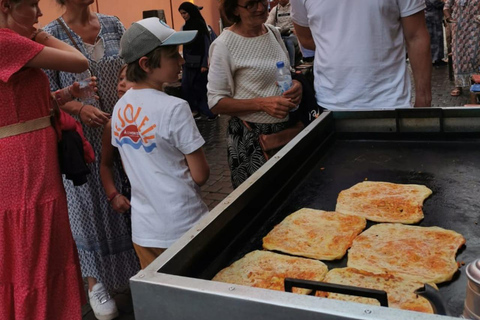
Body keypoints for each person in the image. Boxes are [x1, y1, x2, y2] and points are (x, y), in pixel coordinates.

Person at [43, 1, 140, 319]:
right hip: (82, 140)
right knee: (86, 209)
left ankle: (135, 274)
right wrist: (80, 108)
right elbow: (46, 95)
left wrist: (129, 83)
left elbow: (131, 67)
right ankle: (95, 282)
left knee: (130, 199)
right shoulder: (51, 34)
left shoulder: (113, 25)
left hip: (124, 130)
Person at [0, 0, 89, 318]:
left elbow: (18, 105)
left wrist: (64, 96)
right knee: (36, 239)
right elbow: (80, 60)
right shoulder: (7, 41)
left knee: (31, 240)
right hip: (25, 156)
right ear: (7, 5)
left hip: (25, 150)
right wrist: (39, 37)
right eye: (33, 5)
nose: (39, 14)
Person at [114, 18, 210, 269]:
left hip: (144, 230)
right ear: (146, 64)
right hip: (184, 224)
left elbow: (130, 166)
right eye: (172, 55)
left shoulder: (119, 109)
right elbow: (200, 175)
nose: (181, 61)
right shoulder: (175, 108)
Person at [208, 0, 303, 188]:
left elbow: (284, 73)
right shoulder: (224, 45)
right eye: (251, 4)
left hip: (286, 131)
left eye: (262, 1)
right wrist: (261, 104)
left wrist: (296, 84)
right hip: (250, 139)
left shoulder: (273, 33)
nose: (260, 8)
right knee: (260, 205)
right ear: (234, 8)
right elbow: (215, 102)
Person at [290, 0, 432, 110]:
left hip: (390, 102)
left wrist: (424, 100)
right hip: (329, 103)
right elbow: (306, 38)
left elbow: (416, 36)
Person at [100, 65, 134, 215]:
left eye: (129, 79)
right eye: (120, 79)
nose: (121, 83)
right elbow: (105, 164)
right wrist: (113, 195)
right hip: (132, 197)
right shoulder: (113, 124)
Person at [178, 2, 217, 120]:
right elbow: (185, 47)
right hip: (188, 63)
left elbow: (206, 45)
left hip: (200, 64)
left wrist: (205, 63)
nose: (183, 16)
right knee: (187, 87)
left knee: (200, 88)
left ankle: (209, 112)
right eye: (181, 14)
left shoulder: (201, 26)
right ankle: (196, 111)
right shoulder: (185, 27)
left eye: (185, 13)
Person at [444, 0, 480, 97]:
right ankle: (458, 85)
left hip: (476, 27)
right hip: (459, 28)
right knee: (458, 56)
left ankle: (476, 83)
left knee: (475, 55)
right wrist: (449, 18)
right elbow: (446, 7)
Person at [266, 0, 299, 67]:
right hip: (280, 34)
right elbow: (268, 24)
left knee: (289, 42)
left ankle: (291, 66)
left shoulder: (294, 8)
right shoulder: (275, 9)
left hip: (293, 35)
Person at [425, 0, 446, 66]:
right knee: (436, 38)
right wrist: (446, 3)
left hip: (430, 17)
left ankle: (434, 58)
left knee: (432, 38)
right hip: (433, 18)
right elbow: (436, 3)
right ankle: (436, 59)